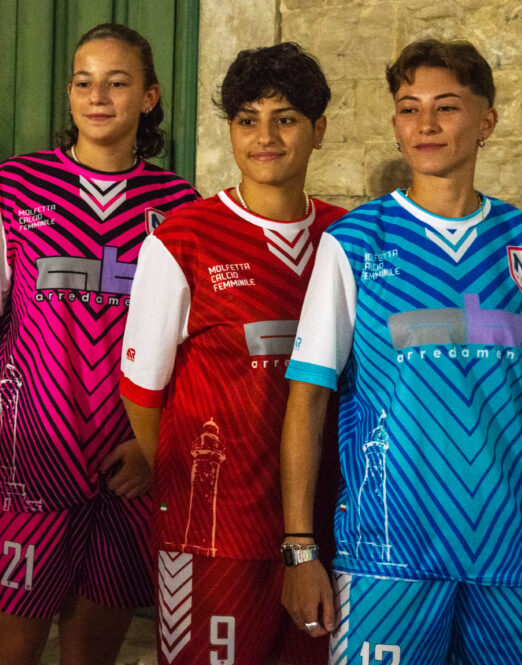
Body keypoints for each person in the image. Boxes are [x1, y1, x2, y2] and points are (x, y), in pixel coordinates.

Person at [280, 38, 522, 665]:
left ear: (486, 122)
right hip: (388, 549)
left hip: (512, 550)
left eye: (446, 107)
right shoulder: (354, 242)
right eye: (408, 108)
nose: (425, 123)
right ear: (395, 125)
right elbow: (308, 398)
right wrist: (300, 549)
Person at [0, 23, 199, 665]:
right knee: (10, 648)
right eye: (84, 82)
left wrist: (152, 446)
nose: (98, 96)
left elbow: (184, 349)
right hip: (31, 454)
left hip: (126, 465)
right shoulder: (15, 185)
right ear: (69, 93)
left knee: (93, 652)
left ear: (150, 97)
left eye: (118, 82)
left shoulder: (179, 205)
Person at [120, 42, 344, 665]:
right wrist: (192, 483)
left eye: (285, 119)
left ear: (319, 129)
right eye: (248, 120)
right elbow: (141, 391)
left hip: (326, 528)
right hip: (212, 537)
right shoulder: (182, 239)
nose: (264, 137)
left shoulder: (347, 237)